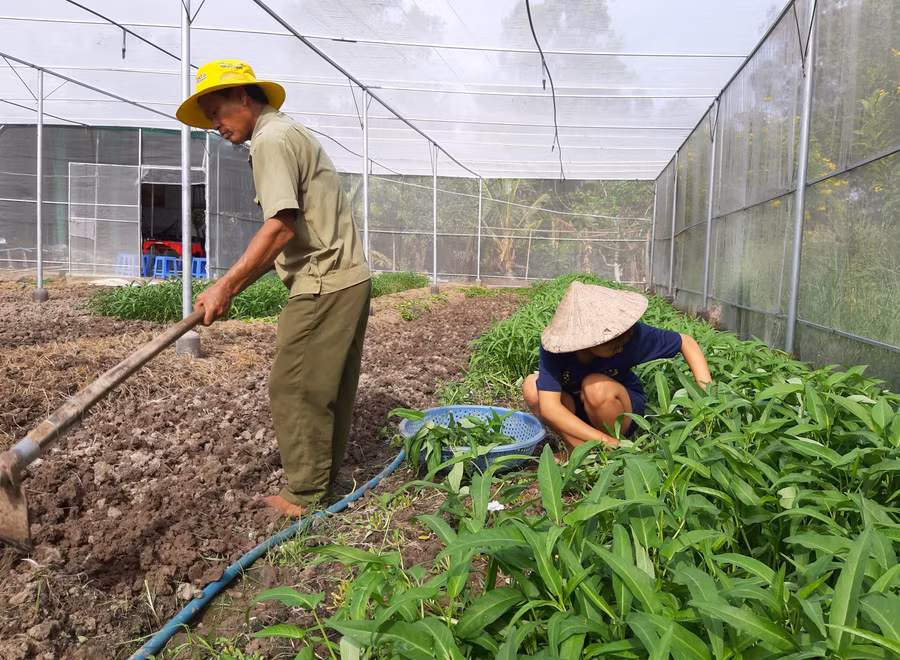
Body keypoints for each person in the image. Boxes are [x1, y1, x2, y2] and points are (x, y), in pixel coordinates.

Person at [176, 60, 371, 516]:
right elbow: (291, 233)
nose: (215, 125)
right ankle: (321, 484)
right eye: (208, 118)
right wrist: (233, 285)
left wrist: (225, 285)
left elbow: (280, 227)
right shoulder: (286, 133)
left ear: (245, 97)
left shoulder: (271, 140)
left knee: (294, 385)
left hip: (323, 281)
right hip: (346, 277)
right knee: (328, 386)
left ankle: (304, 496)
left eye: (217, 110)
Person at [523, 281, 711, 459]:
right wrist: (607, 442)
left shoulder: (629, 335)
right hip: (580, 410)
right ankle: (578, 449)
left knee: (595, 386)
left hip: (619, 408)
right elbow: (550, 409)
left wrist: (707, 398)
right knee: (532, 387)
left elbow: (686, 342)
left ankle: (613, 452)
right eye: (611, 343)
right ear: (586, 341)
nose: (621, 345)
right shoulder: (557, 349)